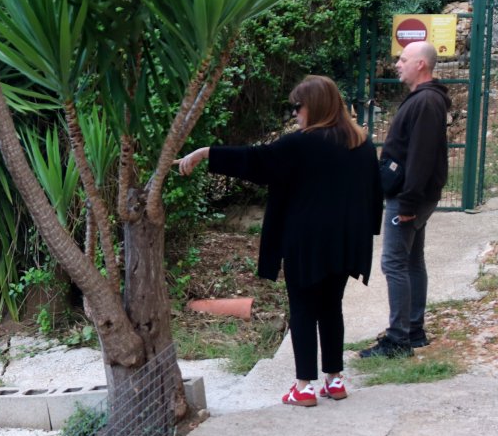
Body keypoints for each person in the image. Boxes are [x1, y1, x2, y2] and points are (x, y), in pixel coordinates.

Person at [177, 75, 382, 407]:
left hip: (306, 244)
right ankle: (334, 380)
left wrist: (206, 153)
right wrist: (366, 234)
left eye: (298, 107)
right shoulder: (361, 144)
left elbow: (254, 161)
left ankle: (303, 386)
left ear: (313, 107)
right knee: (331, 308)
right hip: (346, 244)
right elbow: (375, 195)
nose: (295, 114)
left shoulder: (299, 144)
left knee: (302, 309)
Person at [360, 40, 450, 359]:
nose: (398, 63)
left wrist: (409, 203)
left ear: (421, 65)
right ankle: (413, 331)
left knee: (394, 263)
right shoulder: (424, 99)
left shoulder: (426, 102)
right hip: (414, 195)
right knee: (412, 261)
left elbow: (421, 157)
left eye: (403, 59)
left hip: (409, 197)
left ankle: (398, 339)